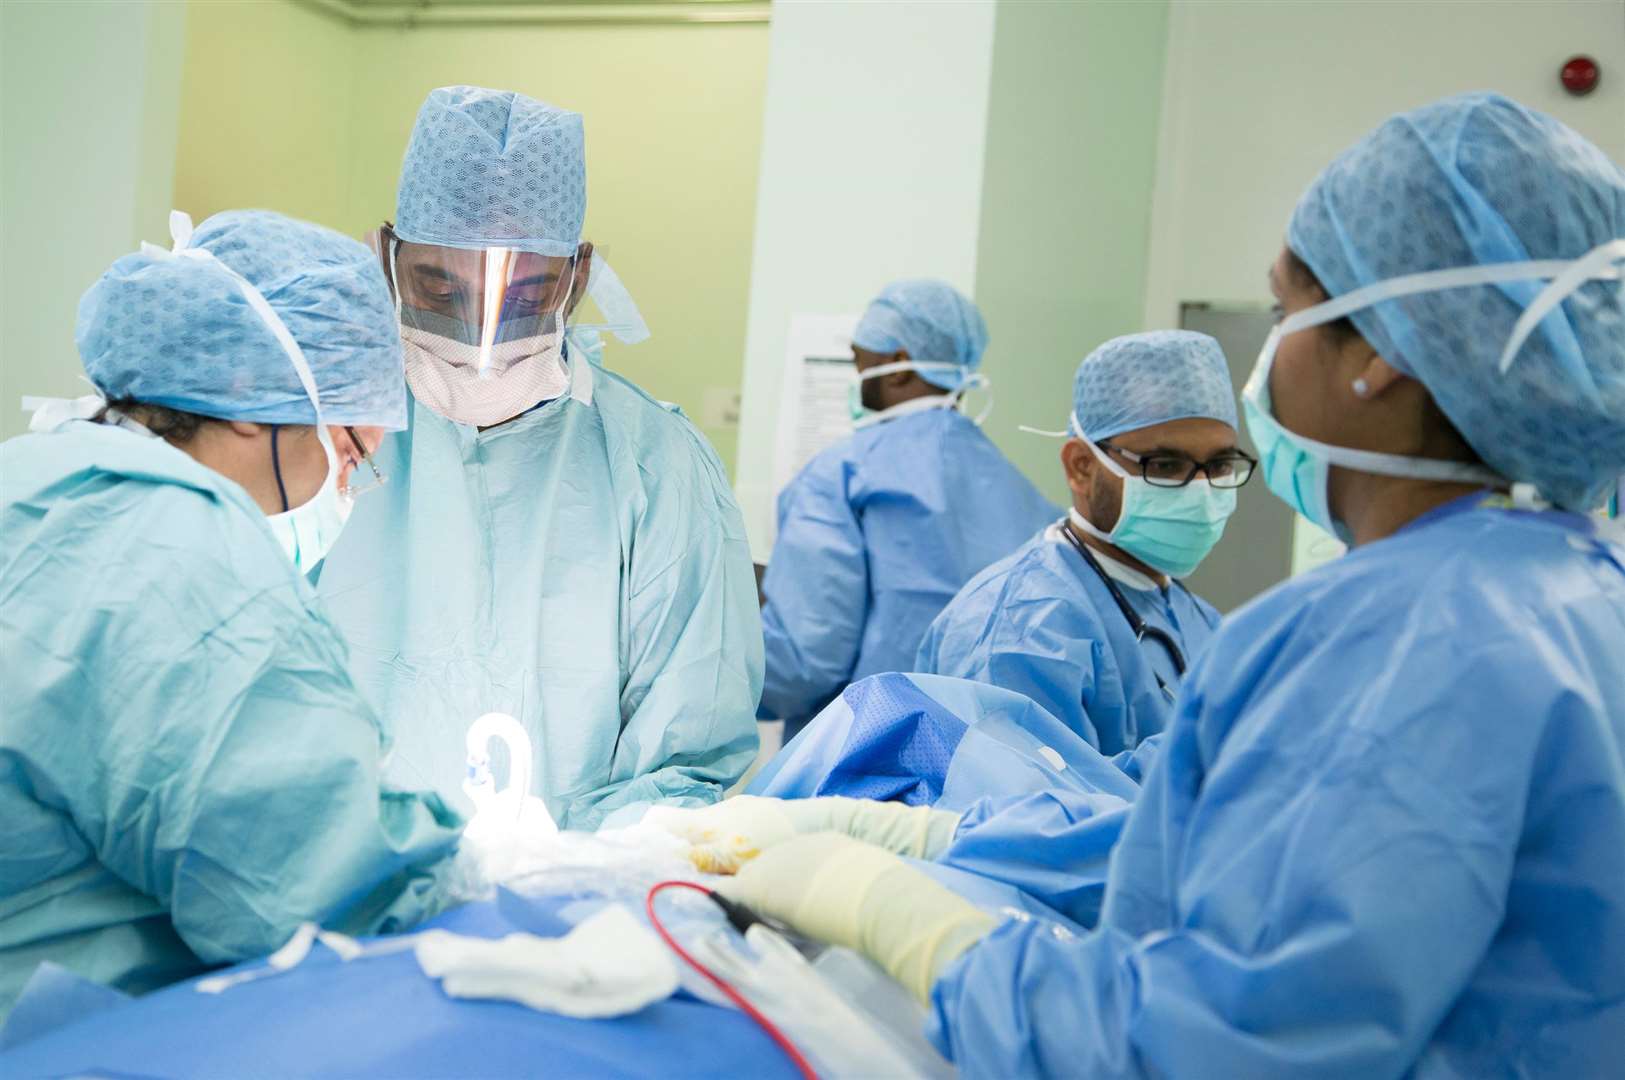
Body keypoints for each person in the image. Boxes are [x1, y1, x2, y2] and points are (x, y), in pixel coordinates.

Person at [691, 93, 1625, 1074]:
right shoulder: (1572, 593)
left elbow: (1206, 1045)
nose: (1269, 360)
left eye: (1285, 313)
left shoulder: (1393, 639)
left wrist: (920, 930)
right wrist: (927, 832)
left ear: (1381, 355)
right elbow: (1231, 845)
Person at [0, 210, 464, 1021]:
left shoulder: (32, 479)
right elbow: (318, 890)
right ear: (251, 400)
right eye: (350, 451)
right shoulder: (190, 556)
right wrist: (487, 872)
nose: (346, 490)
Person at [315, 86, 762, 829]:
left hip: (565, 903)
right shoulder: (320, 440)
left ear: (578, 276)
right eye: (437, 287)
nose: (478, 336)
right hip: (337, 890)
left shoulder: (655, 464)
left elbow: (684, 759)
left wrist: (557, 891)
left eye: (526, 293)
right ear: (385, 256)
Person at [916, 331, 1249, 753]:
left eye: (1219, 464)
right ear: (1081, 467)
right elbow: (1022, 811)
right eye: (1165, 465)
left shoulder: (1192, 617)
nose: (1201, 489)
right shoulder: (1022, 631)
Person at [759, 280, 1058, 739]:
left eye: (860, 361)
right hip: (987, 765)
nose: (856, 377)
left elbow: (804, 661)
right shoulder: (1022, 491)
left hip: (867, 764)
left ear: (898, 364)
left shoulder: (843, 474)